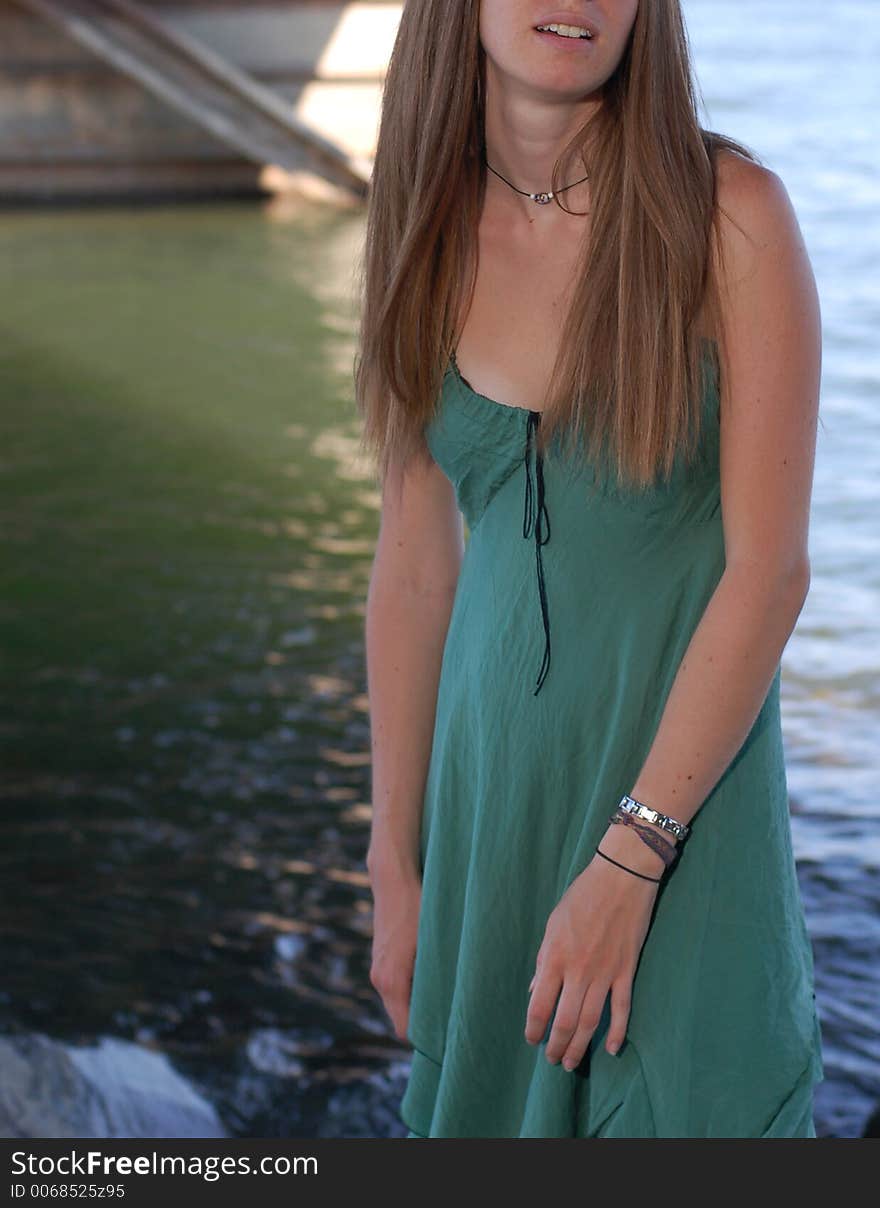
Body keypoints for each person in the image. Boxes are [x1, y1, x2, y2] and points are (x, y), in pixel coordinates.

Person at [355, 0, 824, 1138]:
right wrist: (394, 857)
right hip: (486, 824)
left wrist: (632, 859)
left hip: (678, 823)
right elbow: (415, 565)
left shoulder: (728, 220)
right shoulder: (422, 223)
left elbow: (768, 575)